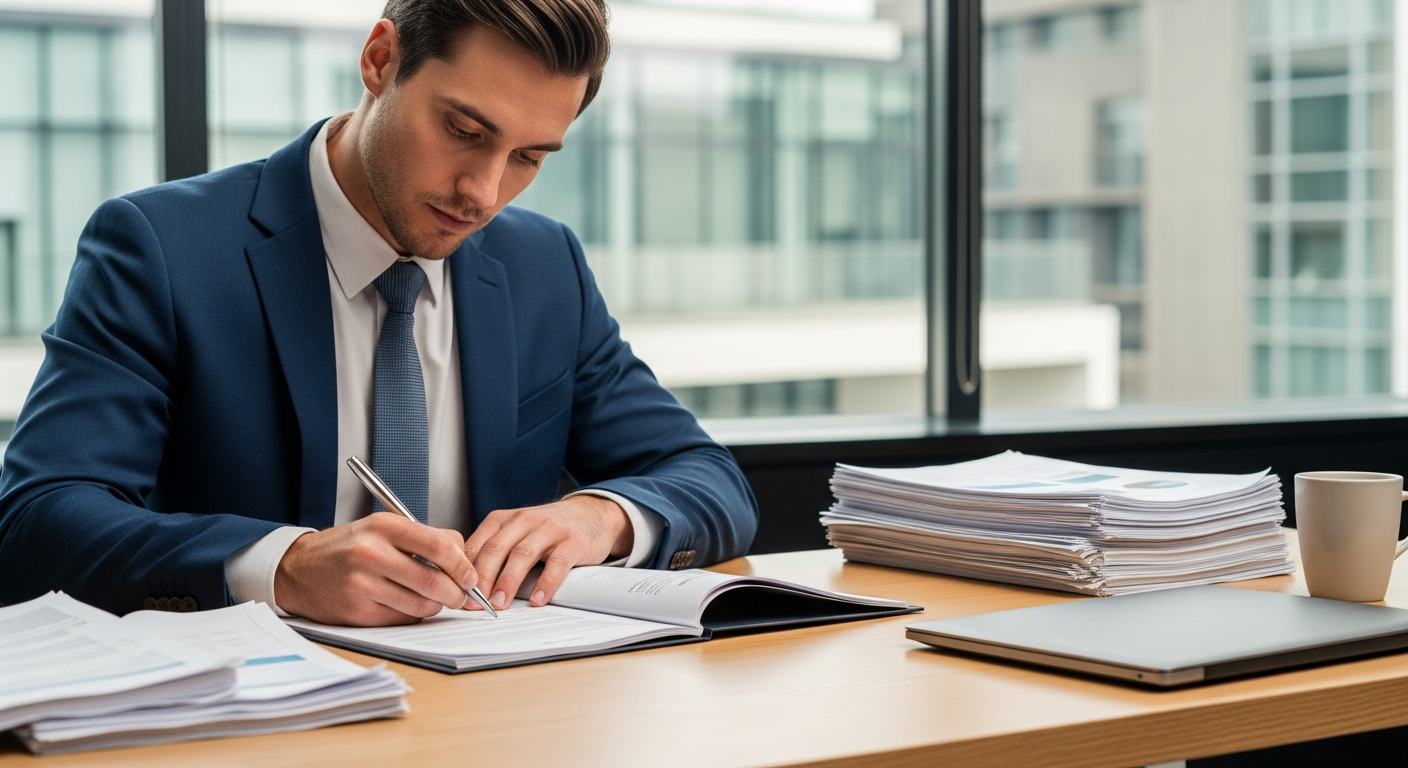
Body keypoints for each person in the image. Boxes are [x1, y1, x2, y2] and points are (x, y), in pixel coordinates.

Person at [0, 0, 757, 626]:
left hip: (497, 714)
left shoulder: (542, 266)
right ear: (380, 60)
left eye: (530, 157)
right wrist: (284, 566)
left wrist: (601, 518)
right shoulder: (163, 247)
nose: (484, 193)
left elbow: (709, 480)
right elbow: (38, 521)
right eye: (465, 130)